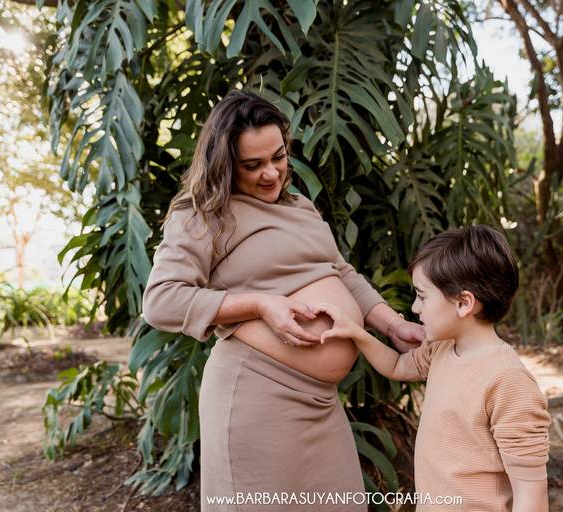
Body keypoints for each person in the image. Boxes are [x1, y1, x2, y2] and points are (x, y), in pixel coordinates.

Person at [141, 90, 424, 511]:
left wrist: (393, 325)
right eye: (252, 165)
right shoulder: (202, 215)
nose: (271, 173)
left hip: (321, 403)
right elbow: (161, 300)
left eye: (278, 157)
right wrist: (258, 304)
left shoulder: (300, 206)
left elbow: (340, 272)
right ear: (223, 164)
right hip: (257, 398)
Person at [315, 226, 551, 512]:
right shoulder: (441, 348)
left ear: (464, 303)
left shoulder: (508, 380)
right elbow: (397, 366)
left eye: (423, 296)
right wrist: (357, 333)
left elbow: (531, 494)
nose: (415, 308)